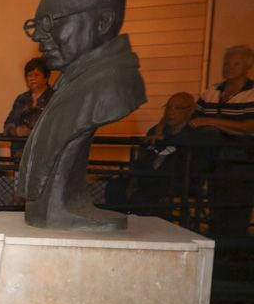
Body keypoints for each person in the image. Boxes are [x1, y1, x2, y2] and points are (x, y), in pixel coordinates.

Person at [18, 0, 146, 230]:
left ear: (103, 22)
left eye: (51, 23)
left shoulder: (111, 86)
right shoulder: (73, 82)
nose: (40, 37)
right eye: (37, 26)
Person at [104, 93, 220, 215]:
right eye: (168, 107)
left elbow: (197, 166)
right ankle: (118, 224)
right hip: (150, 178)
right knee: (115, 187)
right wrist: (135, 178)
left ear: (190, 111)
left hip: (177, 180)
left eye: (177, 108)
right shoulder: (156, 130)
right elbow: (143, 157)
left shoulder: (198, 133)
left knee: (144, 196)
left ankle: (147, 229)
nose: (171, 112)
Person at [192, 44, 254, 237]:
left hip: (242, 162)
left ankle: (235, 256)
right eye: (226, 63)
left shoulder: (251, 93)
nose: (229, 67)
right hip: (214, 162)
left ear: (247, 66)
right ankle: (219, 254)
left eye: (235, 63)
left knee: (237, 209)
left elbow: (250, 127)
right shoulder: (212, 91)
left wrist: (211, 122)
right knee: (216, 206)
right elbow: (193, 120)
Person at [3, 58, 55, 161]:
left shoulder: (55, 98)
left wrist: (33, 132)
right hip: (20, 156)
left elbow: (59, 128)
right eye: (29, 75)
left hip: (45, 157)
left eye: (36, 75)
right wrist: (16, 131)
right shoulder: (21, 99)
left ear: (46, 77)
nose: (32, 79)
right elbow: (7, 126)